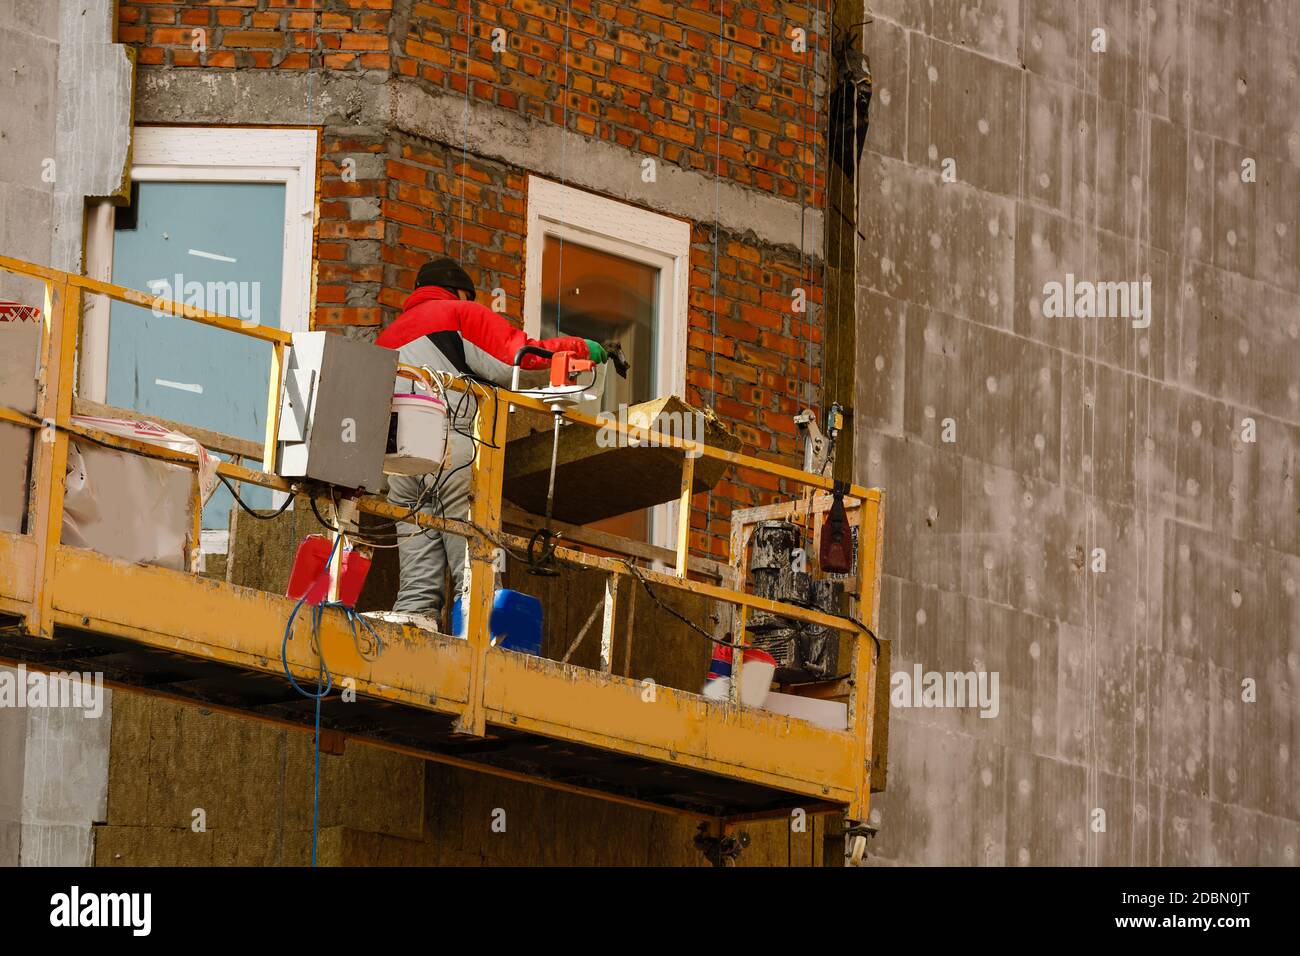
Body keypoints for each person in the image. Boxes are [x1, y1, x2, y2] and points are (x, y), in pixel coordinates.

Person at [374, 256, 610, 625]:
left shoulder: (388, 336)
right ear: (461, 292)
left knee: (417, 578)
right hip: (453, 452)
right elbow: (518, 359)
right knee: (475, 570)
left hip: (399, 464)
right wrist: (582, 349)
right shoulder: (460, 312)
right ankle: (481, 633)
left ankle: (415, 627)